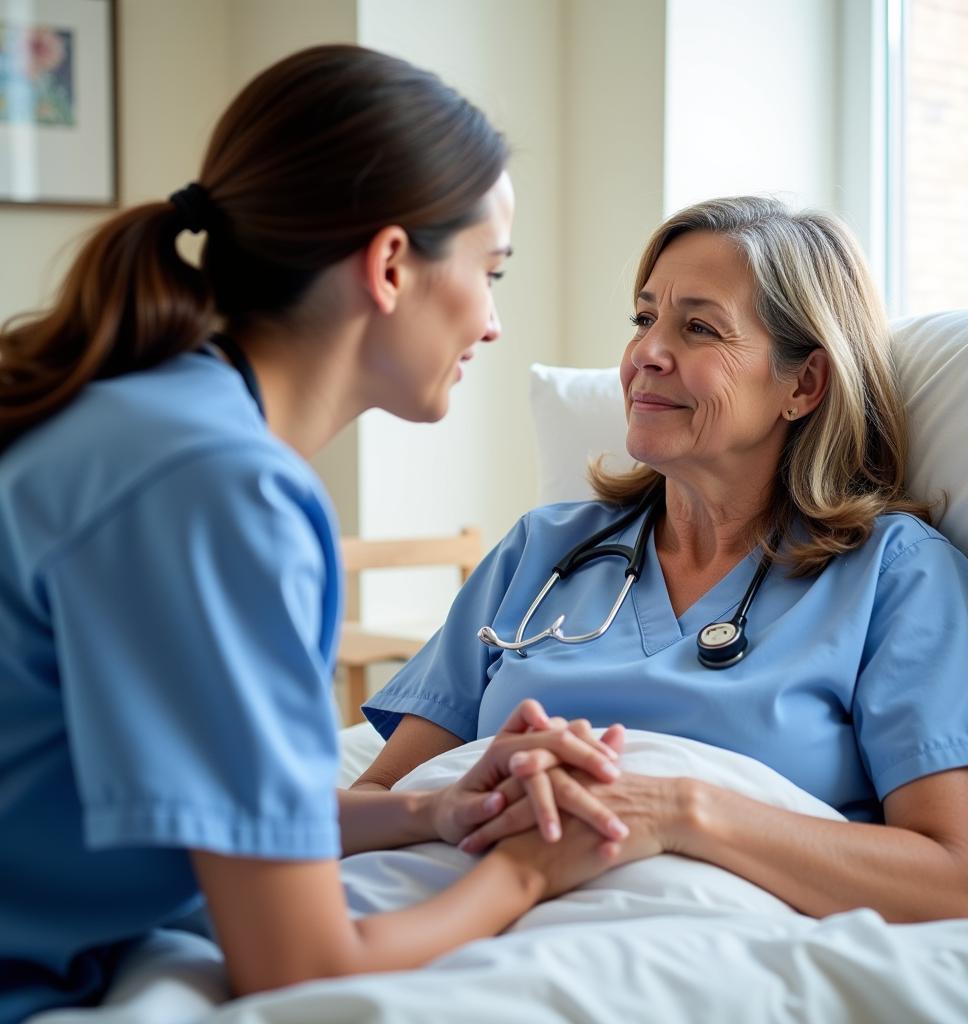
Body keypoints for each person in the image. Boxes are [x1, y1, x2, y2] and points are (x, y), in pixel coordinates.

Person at [0, 45, 636, 1023]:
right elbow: (297, 968)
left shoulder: (155, 421)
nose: (496, 321)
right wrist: (523, 875)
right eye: (489, 268)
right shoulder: (215, 490)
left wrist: (433, 807)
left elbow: (209, 809)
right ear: (389, 265)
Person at [357, 195, 968, 924]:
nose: (646, 352)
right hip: (438, 906)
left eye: (699, 328)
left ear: (802, 385)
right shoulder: (543, 550)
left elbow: (952, 882)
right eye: (644, 319)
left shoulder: (897, 577)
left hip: (685, 942)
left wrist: (680, 810)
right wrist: (446, 805)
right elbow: (380, 801)